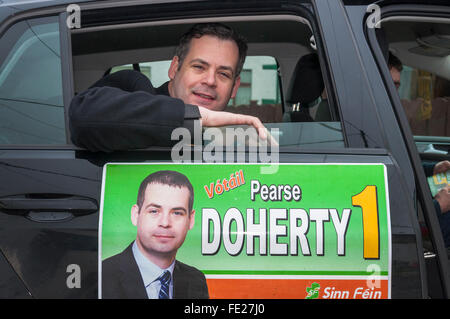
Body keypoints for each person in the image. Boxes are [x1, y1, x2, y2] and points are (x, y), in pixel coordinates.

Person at [69, 23, 267, 152]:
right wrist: (193, 117)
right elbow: (81, 117)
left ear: (234, 87)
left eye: (223, 74)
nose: (210, 80)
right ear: (174, 68)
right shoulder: (133, 86)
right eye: (199, 67)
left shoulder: (236, 141)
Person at [101, 170, 209, 299]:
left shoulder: (196, 280)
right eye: (154, 211)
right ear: (136, 215)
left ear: (190, 220)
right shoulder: (100, 276)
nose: (165, 223)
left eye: (177, 213)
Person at [389, 52, 450, 246]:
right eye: (389, 82)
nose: (393, 90)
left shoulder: (385, 119)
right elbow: (392, 212)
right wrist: (437, 206)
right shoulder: (367, 125)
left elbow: (402, 167)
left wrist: (433, 168)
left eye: (397, 85)